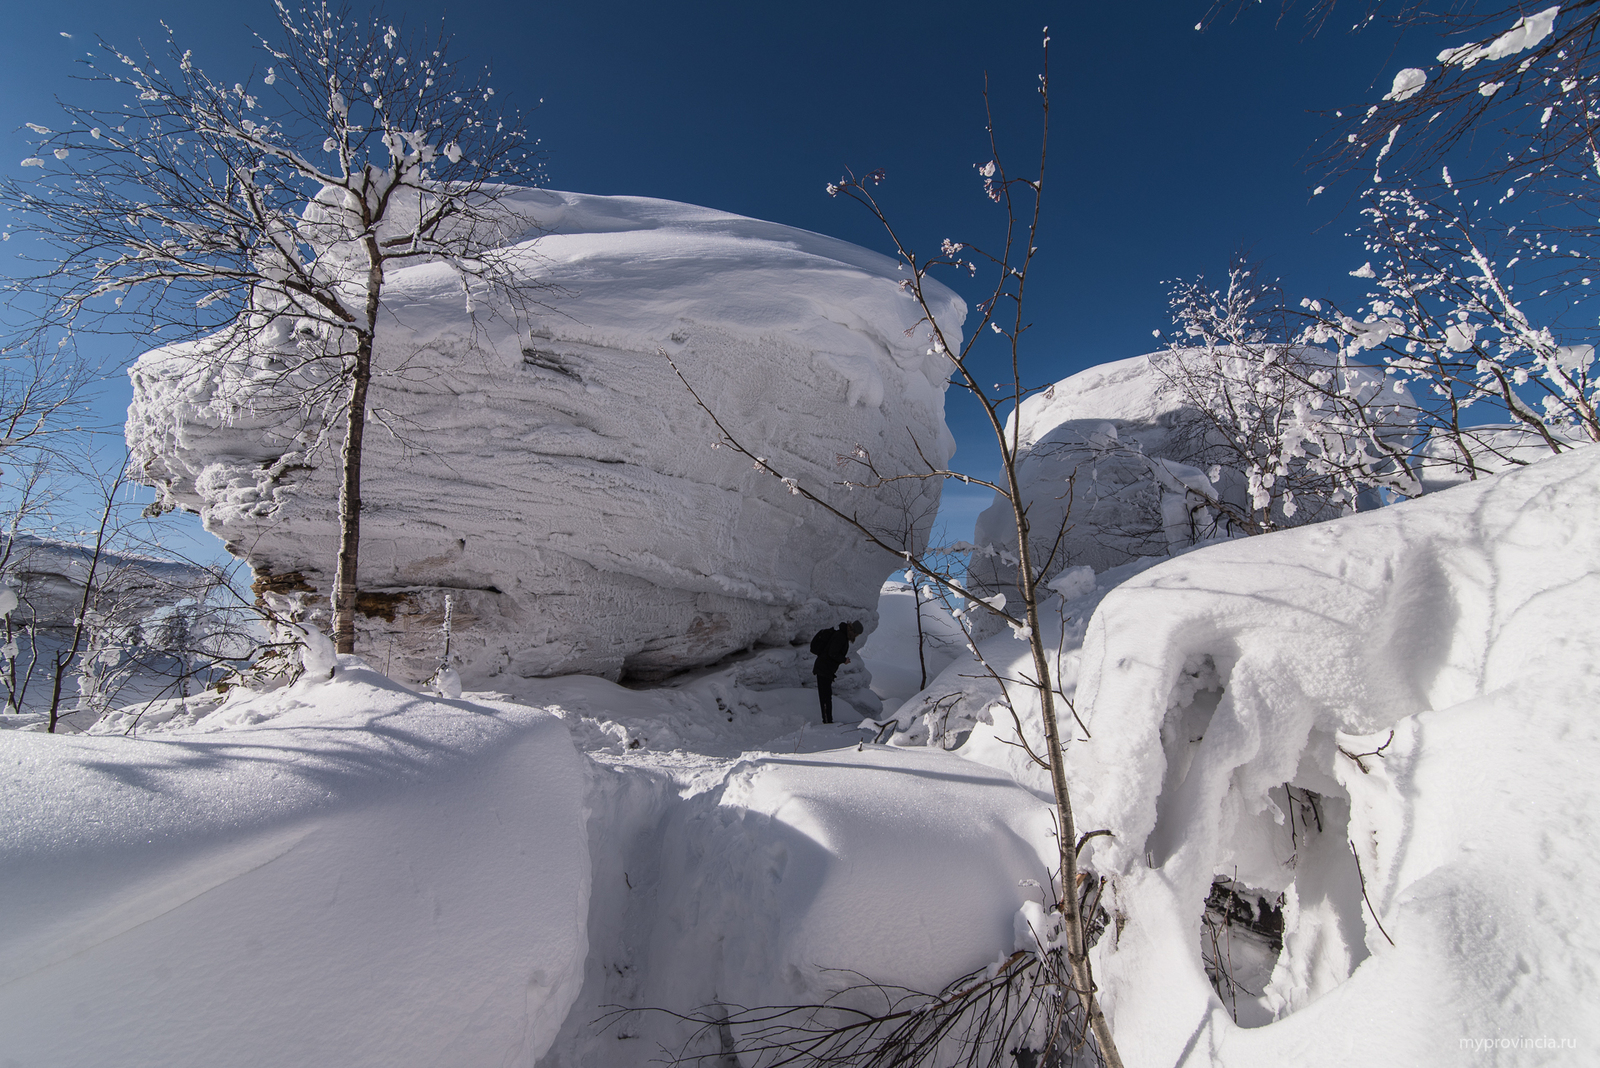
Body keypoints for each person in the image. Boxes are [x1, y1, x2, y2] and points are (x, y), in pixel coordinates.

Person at [810, 620, 863, 724]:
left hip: (826, 669)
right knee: (825, 696)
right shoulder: (841, 636)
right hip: (823, 669)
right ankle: (827, 721)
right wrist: (844, 660)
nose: (856, 637)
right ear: (854, 632)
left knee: (826, 696)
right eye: (857, 634)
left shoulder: (842, 635)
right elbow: (832, 653)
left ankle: (828, 720)